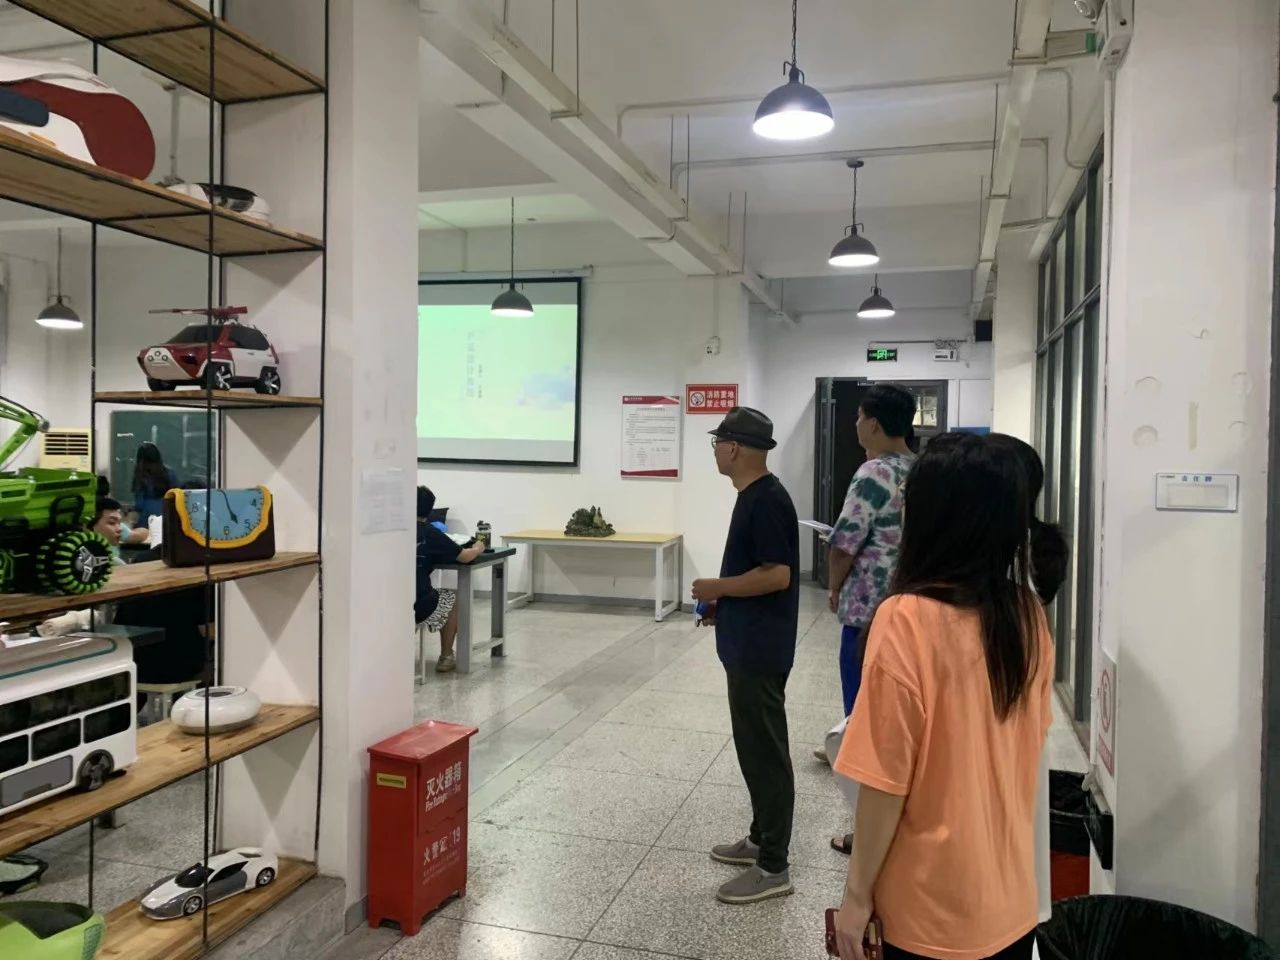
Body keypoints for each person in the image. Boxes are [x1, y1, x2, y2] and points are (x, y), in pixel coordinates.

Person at [831, 433, 1054, 960]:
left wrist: (856, 896)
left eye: (912, 497)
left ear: (937, 515)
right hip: (1010, 902)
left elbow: (885, 783)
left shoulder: (905, 619)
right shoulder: (1026, 615)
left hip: (927, 910)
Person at [691, 406, 800, 905]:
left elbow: (777, 575)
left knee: (766, 754)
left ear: (733, 447)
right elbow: (757, 570)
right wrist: (724, 603)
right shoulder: (752, 495)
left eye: (717, 442)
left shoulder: (768, 500)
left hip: (760, 648)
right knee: (753, 749)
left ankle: (773, 866)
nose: (715, 450)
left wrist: (718, 587)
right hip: (747, 641)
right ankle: (760, 837)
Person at [827, 384, 917, 721]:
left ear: (874, 424)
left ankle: (856, 744)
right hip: (909, 600)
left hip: (868, 607)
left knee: (860, 701)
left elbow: (845, 543)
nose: (856, 424)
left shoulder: (874, 472)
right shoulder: (920, 468)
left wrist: (834, 586)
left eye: (859, 417)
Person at [415, 486, 484, 673]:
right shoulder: (431, 534)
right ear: (430, 510)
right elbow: (465, 557)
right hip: (418, 605)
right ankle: (446, 656)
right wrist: (478, 547)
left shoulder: (393, 534)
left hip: (387, 604)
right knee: (450, 599)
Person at [131, 442, 177, 523]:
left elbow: (177, 499)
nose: (148, 466)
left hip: (165, 518)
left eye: (151, 463)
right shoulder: (140, 475)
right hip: (146, 519)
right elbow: (138, 505)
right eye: (145, 463)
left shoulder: (169, 474)